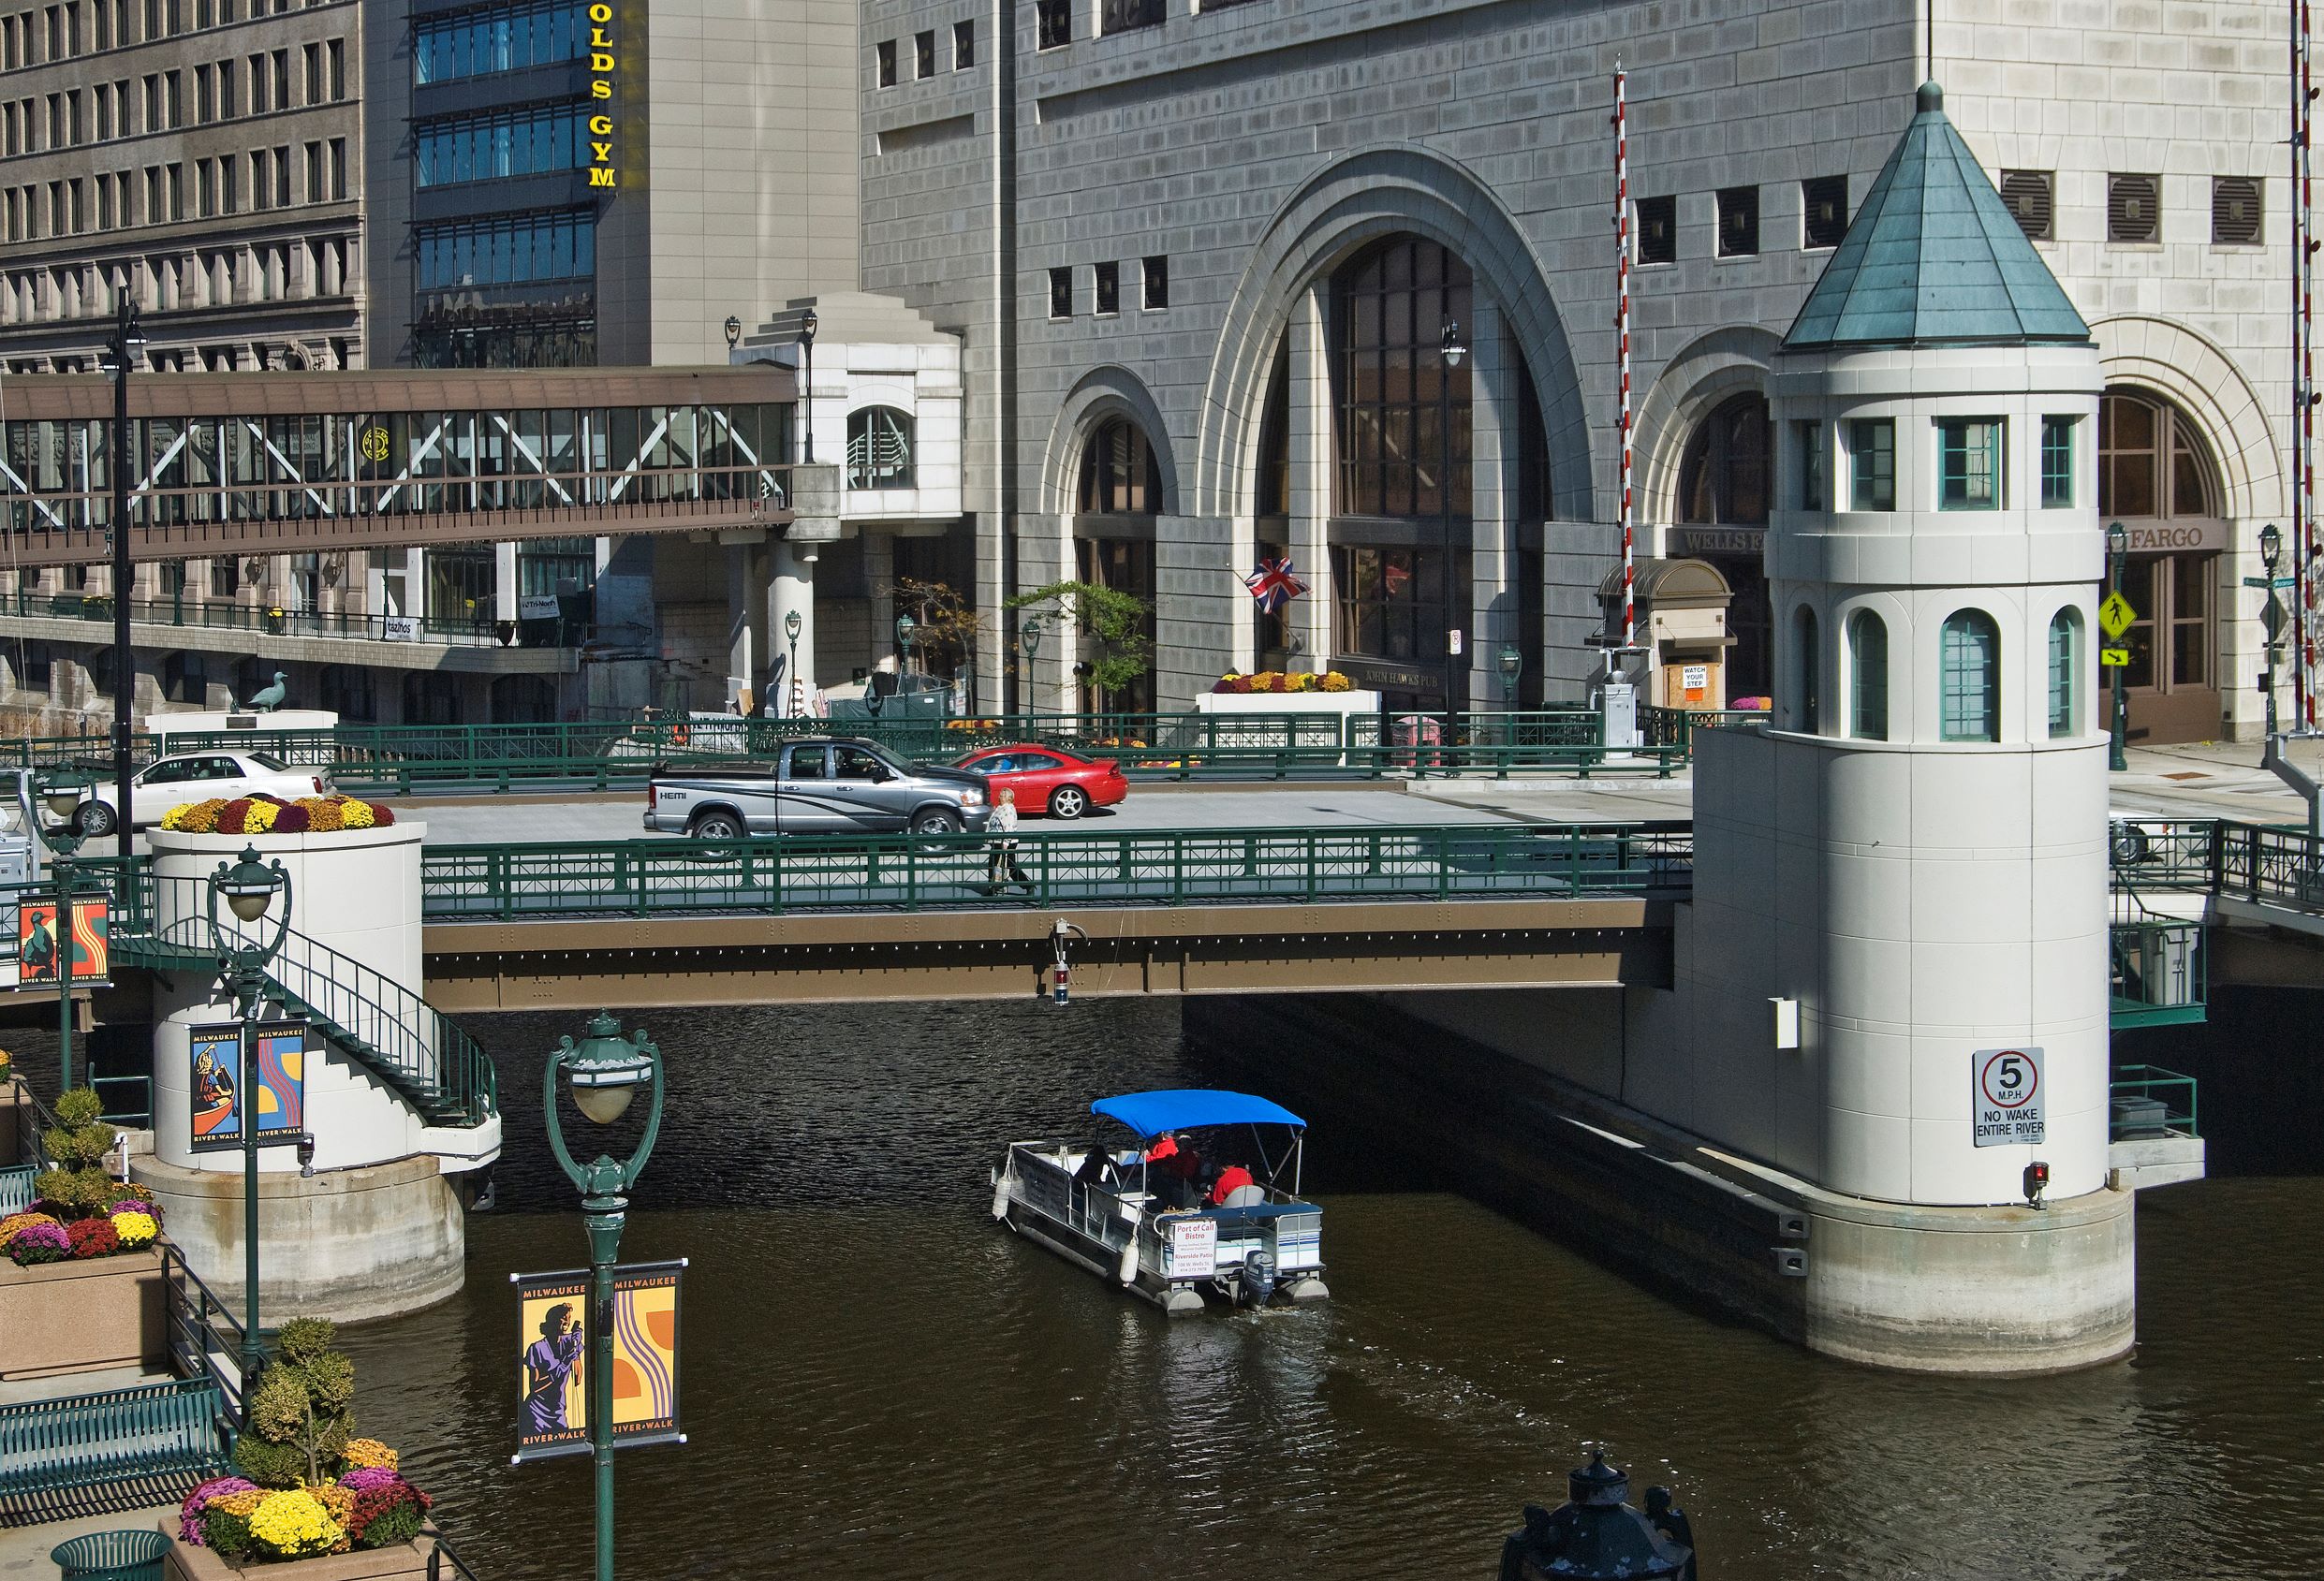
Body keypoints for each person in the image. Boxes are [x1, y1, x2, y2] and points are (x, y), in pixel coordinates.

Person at [522, 1303, 586, 1437]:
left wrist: (576, 1345)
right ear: (552, 1320)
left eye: (569, 1318)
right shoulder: (537, 1348)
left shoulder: (569, 1342)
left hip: (558, 1411)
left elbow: (577, 1378)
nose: (567, 1322)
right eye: (563, 1318)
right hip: (536, 1414)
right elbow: (535, 1386)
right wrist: (563, 1365)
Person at [979, 786, 1032, 895]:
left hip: (1005, 842)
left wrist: (1005, 843)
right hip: (997, 842)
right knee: (993, 864)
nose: (999, 797)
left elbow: (1009, 827)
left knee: (1009, 865)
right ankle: (994, 887)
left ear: (1007, 797)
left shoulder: (1008, 809)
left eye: (1002, 795)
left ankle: (1027, 885)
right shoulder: (1000, 808)